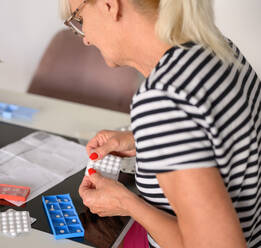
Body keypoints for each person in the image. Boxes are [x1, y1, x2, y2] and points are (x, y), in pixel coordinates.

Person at [60, 0, 261, 247]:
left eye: (79, 20)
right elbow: (227, 135)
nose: (85, 38)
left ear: (109, 5)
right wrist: (143, 139)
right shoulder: (215, 48)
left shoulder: (162, 99)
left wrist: (127, 204)